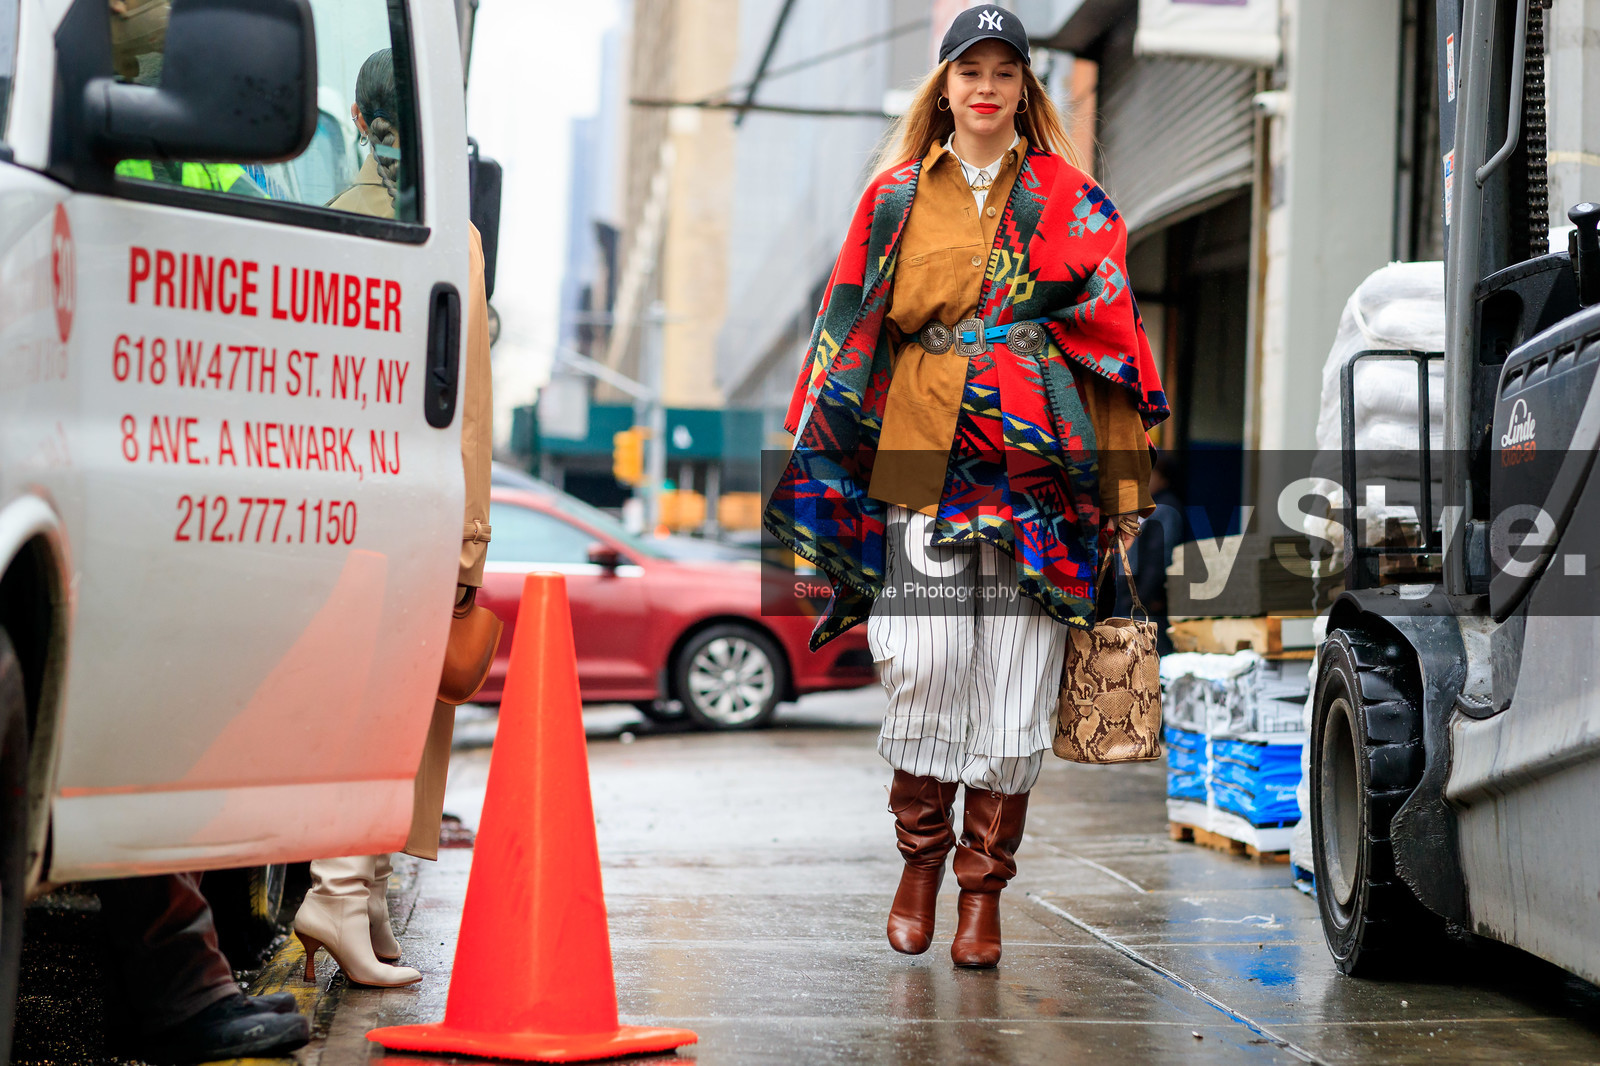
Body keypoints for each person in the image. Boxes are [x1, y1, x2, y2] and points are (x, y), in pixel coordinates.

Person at [764, 4, 1168, 969]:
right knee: (922, 656)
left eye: (1003, 71)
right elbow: (850, 335)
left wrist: (1119, 497)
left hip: (1047, 464)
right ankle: (918, 865)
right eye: (967, 70)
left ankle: (983, 893)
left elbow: (1116, 356)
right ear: (942, 88)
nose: (985, 86)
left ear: (1024, 89)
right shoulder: (895, 197)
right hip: (917, 448)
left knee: (1018, 678)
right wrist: (831, 473)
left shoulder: (1075, 201)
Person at [290, 47, 496, 988]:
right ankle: (340, 889)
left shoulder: (350, 222)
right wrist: (466, 539)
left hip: (372, 506)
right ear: (379, 128)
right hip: (406, 510)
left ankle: (357, 888)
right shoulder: (427, 232)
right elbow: (463, 406)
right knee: (386, 706)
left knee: (379, 706)